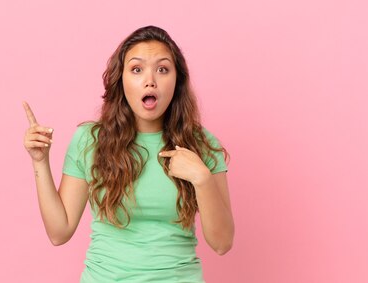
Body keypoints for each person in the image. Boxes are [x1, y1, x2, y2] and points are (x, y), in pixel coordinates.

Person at [22, 25, 234, 283]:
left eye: (163, 69)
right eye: (136, 69)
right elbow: (59, 232)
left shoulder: (201, 144)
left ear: (177, 81)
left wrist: (202, 178)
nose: (150, 80)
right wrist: (40, 162)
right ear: (120, 80)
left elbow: (222, 243)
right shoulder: (91, 141)